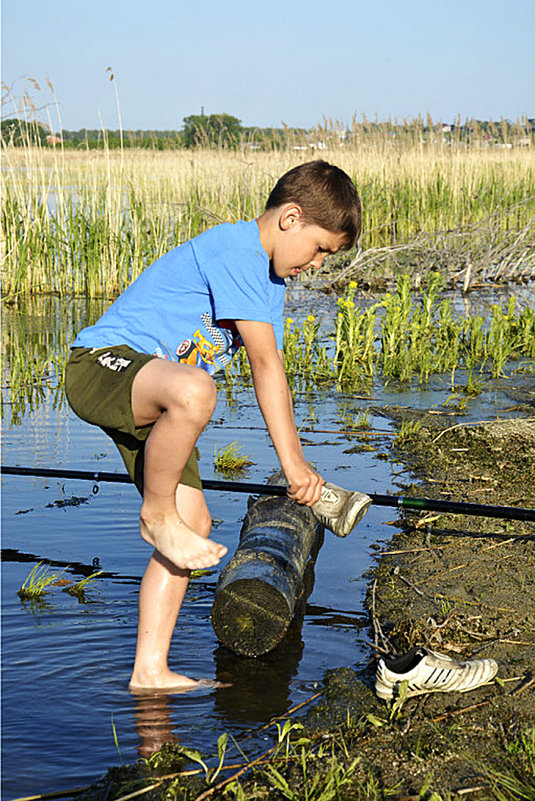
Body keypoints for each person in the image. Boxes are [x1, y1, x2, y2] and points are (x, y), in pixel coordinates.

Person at [65, 160, 363, 692]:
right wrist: (295, 467)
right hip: (101, 366)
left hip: (158, 404)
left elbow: (267, 365)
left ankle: (149, 672)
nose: (317, 264)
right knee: (195, 390)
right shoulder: (237, 251)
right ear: (291, 218)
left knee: (195, 523)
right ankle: (155, 515)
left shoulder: (269, 279)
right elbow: (266, 367)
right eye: (320, 249)